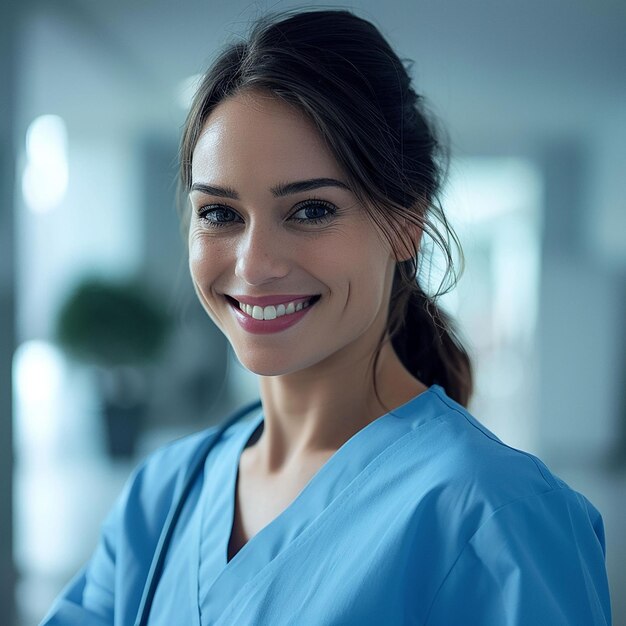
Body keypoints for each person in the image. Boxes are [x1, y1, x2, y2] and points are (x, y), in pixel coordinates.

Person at [42, 9, 611, 626]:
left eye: (310, 210)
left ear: (404, 222)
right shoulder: (161, 499)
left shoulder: (497, 517)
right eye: (219, 213)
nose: (254, 265)